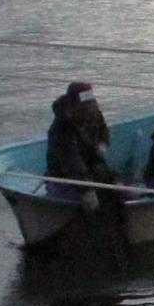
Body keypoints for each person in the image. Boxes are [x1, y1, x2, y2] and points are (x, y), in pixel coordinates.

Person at [45, 81, 124, 216]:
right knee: (93, 203)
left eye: (91, 102)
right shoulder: (62, 127)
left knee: (115, 189)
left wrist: (103, 143)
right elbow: (71, 160)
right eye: (85, 103)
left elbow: (103, 129)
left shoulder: (94, 112)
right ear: (74, 103)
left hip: (91, 164)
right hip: (64, 175)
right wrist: (86, 189)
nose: (90, 107)